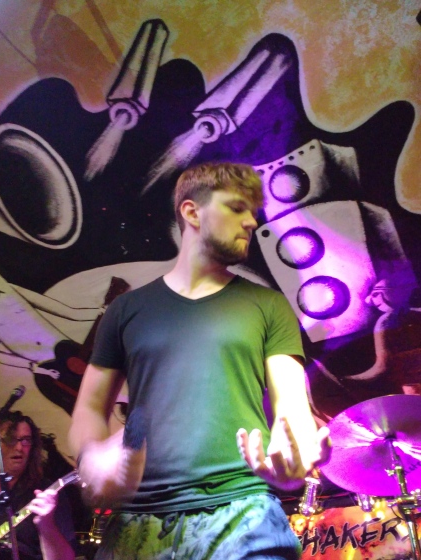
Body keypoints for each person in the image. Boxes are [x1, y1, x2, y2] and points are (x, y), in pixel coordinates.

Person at [69, 162, 330, 559]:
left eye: (253, 212)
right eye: (237, 208)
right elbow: (89, 406)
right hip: (139, 523)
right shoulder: (125, 310)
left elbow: (291, 404)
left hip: (243, 510)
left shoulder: (269, 305)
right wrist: (91, 457)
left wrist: (293, 454)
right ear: (192, 212)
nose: (251, 222)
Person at [0, 411, 76, 560]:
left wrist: (46, 524)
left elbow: (66, 558)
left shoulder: (46, 493)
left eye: (26, 440)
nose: (19, 447)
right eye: (11, 439)